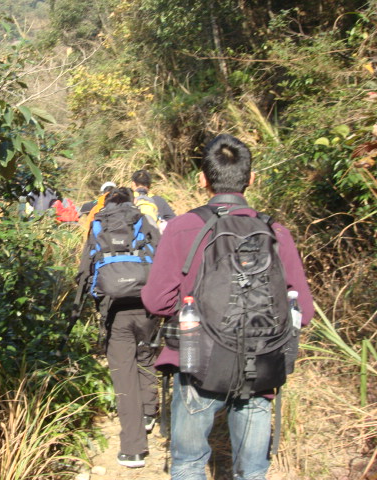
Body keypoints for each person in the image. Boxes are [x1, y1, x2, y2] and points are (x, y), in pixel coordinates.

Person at [141, 134, 314, 480]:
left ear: (202, 179)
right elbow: (304, 312)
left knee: (189, 463)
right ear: (252, 178)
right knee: (252, 470)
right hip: (260, 366)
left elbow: (156, 301)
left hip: (196, 361)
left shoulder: (182, 228)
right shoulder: (276, 232)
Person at [76, 186, 161, 469]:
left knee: (124, 374)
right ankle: (148, 413)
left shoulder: (98, 225)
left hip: (113, 310)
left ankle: (133, 449)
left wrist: (91, 303)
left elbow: (86, 269)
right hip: (147, 304)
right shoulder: (143, 221)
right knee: (145, 356)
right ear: (131, 202)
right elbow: (162, 258)